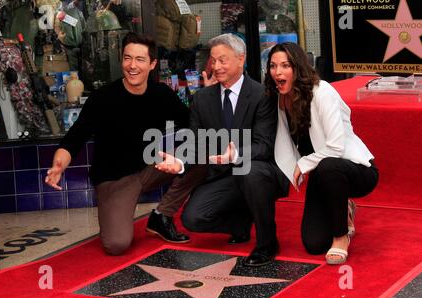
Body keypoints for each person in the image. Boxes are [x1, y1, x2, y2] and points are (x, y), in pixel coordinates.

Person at [45, 32, 206, 255]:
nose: (132, 66)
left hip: (151, 169)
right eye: (127, 58)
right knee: (117, 244)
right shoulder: (103, 98)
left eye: (140, 60)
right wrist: (59, 165)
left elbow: (194, 124)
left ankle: (162, 215)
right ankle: (118, 213)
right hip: (114, 181)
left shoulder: (162, 94)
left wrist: (209, 95)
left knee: (203, 151)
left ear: (152, 64)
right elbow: (74, 138)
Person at [155, 34, 287, 267]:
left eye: (222, 60)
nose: (216, 66)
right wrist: (181, 162)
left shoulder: (262, 95)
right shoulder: (203, 99)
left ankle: (267, 243)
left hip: (259, 170)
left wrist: (235, 155)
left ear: (241, 59)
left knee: (249, 172)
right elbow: (196, 142)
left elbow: (264, 145)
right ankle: (240, 222)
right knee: (192, 219)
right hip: (222, 175)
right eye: (213, 61)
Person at [265, 42, 379, 264]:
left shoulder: (322, 91)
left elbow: (335, 147)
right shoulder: (279, 99)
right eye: (272, 66)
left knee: (329, 165)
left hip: (353, 169)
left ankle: (341, 236)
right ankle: (343, 206)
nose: (278, 72)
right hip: (322, 173)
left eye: (285, 65)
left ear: (298, 68)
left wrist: (304, 163)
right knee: (314, 244)